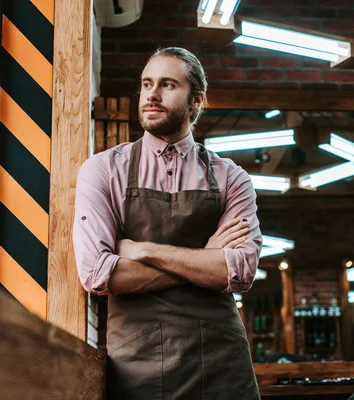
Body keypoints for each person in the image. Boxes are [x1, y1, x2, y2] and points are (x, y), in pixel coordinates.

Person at [73, 47, 262, 399]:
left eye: (168, 85)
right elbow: (99, 275)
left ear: (196, 101)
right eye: (147, 84)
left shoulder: (231, 178)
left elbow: (237, 273)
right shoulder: (103, 170)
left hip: (223, 364)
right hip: (138, 367)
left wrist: (143, 251)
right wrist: (203, 257)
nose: (152, 95)